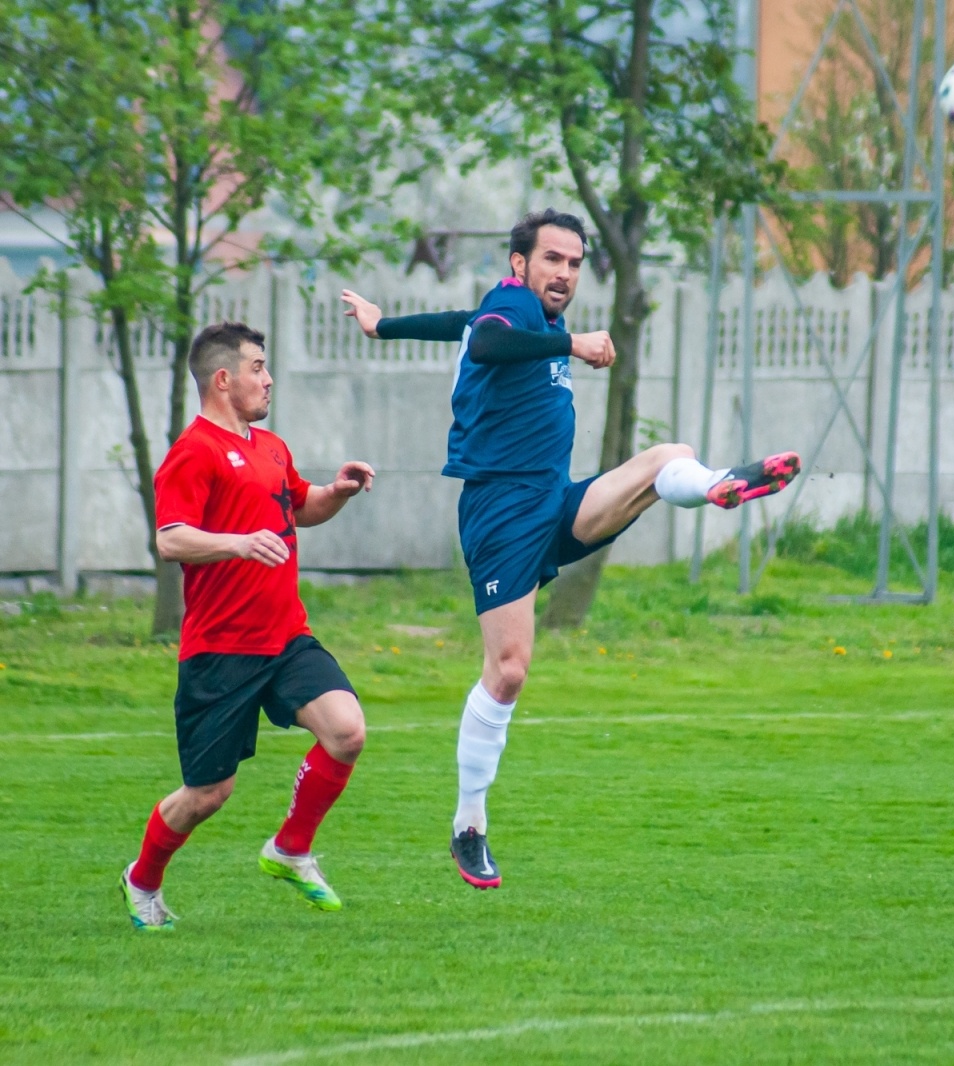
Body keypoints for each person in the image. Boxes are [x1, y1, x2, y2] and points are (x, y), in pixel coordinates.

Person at [339, 209, 801, 890]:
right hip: (499, 511)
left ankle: (718, 486)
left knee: (666, 458)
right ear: (520, 264)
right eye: (552, 258)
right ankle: (469, 824)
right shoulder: (516, 307)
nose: (565, 273)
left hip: (553, 501)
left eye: (576, 263)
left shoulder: (533, 319)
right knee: (509, 671)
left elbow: (460, 324)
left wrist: (385, 326)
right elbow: (490, 339)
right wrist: (572, 345)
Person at [120, 322, 376, 932]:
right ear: (223, 379)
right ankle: (142, 879)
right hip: (220, 650)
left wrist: (336, 491)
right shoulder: (194, 452)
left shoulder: (270, 447)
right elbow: (169, 538)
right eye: (258, 367)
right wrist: (236, 543)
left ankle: (290, 849)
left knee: (347, 732)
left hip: (285, 637)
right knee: (207, 795)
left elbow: (302, 507)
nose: (268, 379)